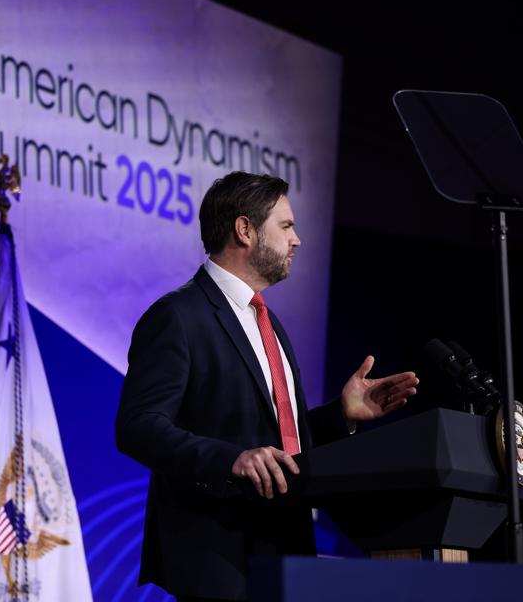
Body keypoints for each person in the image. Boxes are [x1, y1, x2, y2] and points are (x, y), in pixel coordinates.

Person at [115, 171, 418, 601]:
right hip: (219, 557)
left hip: (284, 550)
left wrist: (340, 415)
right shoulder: (177, 317)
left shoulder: (268, 323)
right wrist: (229, 460)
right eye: (286, 226)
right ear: (244, 230)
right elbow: (138, 426)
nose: (296, 240)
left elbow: (278, 442)